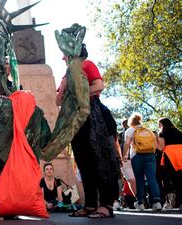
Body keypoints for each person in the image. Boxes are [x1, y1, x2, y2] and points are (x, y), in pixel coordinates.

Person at [57, 44, 120, 218]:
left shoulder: (87, 64)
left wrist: (79, 95)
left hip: (94, 117)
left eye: (64, 54)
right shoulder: (66, 74)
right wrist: (63, 88)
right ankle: (91, 204)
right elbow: (58, 101)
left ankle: (106, 204)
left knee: (101, 160)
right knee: (84, 162)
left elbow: (99, 85)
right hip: (75, 121)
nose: (62, 58)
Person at [123, 113, 162, 211]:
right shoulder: (148, 130)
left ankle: (140, 203)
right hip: (150, 156)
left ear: (130, 122)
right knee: (152, 178)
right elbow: (156, 145)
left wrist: (124, 155)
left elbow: (127, 143)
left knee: (139, 179)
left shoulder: (130, 130)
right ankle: (157, 202)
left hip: (137, 156)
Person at [157, 117, 182, 210]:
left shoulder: (162, 133)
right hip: (180, 157)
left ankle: (172, 202)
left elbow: (161, 148)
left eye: (159, 124)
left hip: (170, 157)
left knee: (171, 179)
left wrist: (155, 143)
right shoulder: (179, 132)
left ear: (162, 124)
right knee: (180, 179)